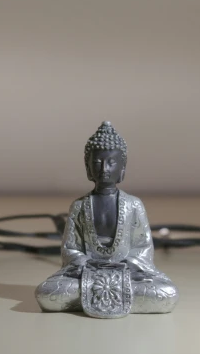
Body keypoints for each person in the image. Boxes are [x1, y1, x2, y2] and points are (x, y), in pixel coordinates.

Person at [35, 121, 179, 314]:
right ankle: (116, 297)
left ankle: (88, 299)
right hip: (87, 273)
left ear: (123, 167)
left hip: (129, 273)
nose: (104, 168)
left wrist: (125, 265)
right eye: (97, 162)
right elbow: (70, 248)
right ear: (88, 167)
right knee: (47, 293)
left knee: (166, 293)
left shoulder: (133, 204)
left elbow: (143, 247)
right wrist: (88, 263)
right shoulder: (79, 206)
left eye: (111, 162)